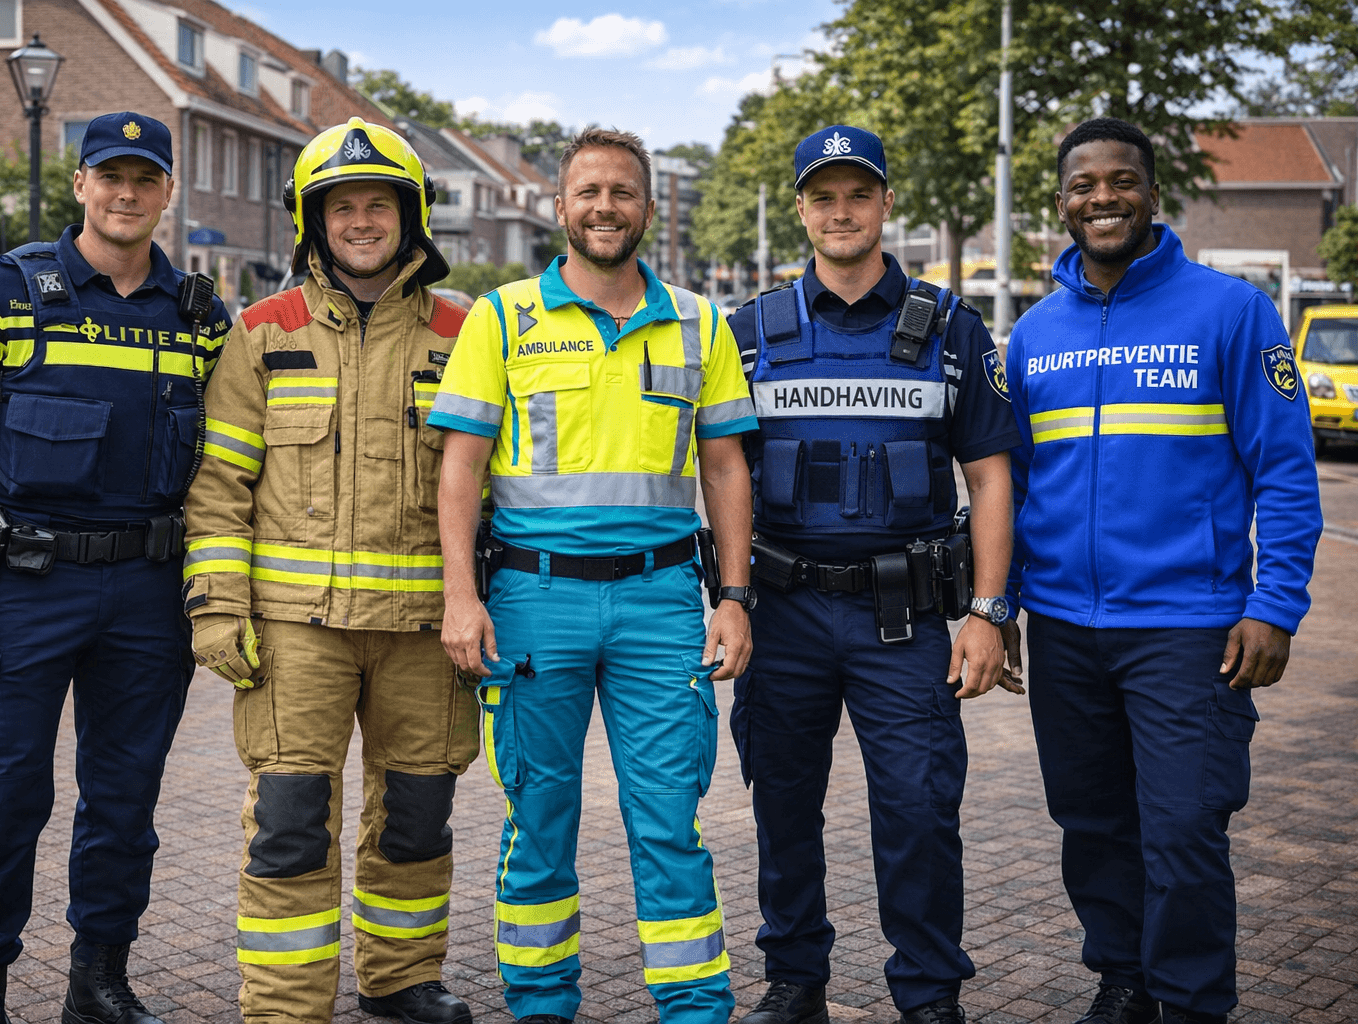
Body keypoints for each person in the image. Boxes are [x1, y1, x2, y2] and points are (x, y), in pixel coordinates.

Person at [0, 112, 230, 1024]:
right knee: (5, 797)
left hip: (147, 594)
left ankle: (99, 982)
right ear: (81, 185)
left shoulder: (200, 318)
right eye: (109, 176)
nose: (126, 193)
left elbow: (235, 460)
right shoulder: (4, 291)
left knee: (125, 802)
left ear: (167, 192)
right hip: (20, 589)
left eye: (145, 178)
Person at [429, 126, 758, 1024]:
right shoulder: (500, 318)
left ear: (648, 207)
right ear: (559, 207)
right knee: (539, 822)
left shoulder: (701, 321)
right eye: (588, 193)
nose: (605, 207)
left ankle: (695, 1008)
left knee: (670, 825)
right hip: (535, 602)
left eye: (622, 192)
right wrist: (462, 596)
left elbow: (725, 468)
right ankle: (540, 1005)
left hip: (660, 602)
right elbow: (459, 467)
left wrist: (733, 597)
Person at [1001, 117, 1322, 1024]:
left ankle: (1188, 1002)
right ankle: (1124, 979)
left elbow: (1286, 472)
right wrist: (1006, 605)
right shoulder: (1033, 335)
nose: (1102, 197)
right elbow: (1018, 486)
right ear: (1060, 203)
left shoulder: (1231, 313)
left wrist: (1277, 604)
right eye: (1082, 185)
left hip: (1189, 628)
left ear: (1151, 191)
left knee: (1182, 832)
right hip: (1065, 629)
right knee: (1093, 826)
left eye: (1121, 180)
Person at [181, 117, 479, 1024]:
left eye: (377, 204)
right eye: (340, 206)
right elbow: (221, 483)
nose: (359, 220)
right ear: (312, 223)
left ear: (410, 216)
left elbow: (496, 488)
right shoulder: (262, 334)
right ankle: (284, 1005)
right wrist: (216, 608)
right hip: (294, 634)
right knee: (288, 823)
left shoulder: (467, 333)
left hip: (427, 638)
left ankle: (400, 980)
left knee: (418, 819)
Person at [727, 125, 1023, 1024]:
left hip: (905, 619)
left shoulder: (951, 330)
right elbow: (717, 473)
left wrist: (988, 611)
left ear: (888, 203)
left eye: (859, 193)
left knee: (920, 811)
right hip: (781, 614)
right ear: (803, 210)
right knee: (782, 807)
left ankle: (930, 994)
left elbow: (992, 476)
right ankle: (796, 980)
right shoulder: (746, 334)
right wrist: (729, 601)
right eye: (824, 196)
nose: (842, 211)